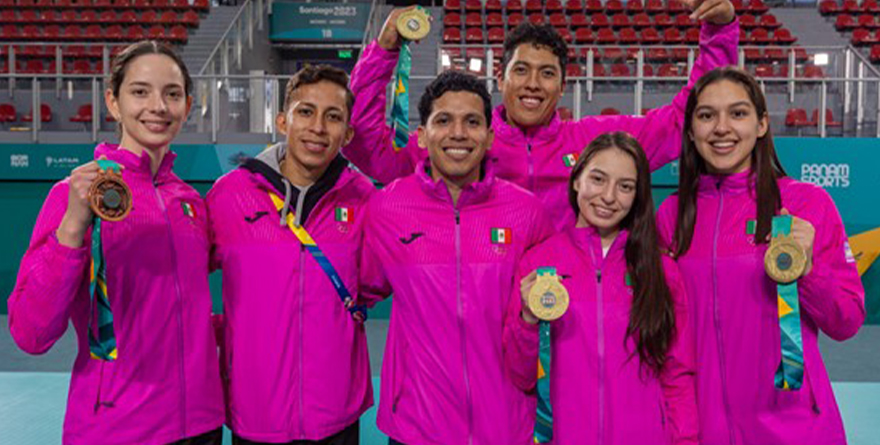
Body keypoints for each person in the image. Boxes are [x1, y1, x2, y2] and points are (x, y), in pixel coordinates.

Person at [344, 1, 738, 229]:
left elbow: (681, 120)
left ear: (563, 85)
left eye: (547, 73)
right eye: (521, 70)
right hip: (484, 313)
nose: (533, 83)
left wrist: (718, 34)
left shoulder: (594, 144)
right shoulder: (459, 144)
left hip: (569, 314)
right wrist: (383, 52)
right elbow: (367, 146)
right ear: (500, 77)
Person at [7, 41, 224, 444]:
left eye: (172, 93)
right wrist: (72, 227)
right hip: (117, 427)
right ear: (113, 102)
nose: (158, 106)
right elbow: (30, 334)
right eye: (140, 91)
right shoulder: (73, 196)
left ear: (188, 105)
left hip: (201, 423)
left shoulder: (190, 201)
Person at [655, 67, 865, 444]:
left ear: (762, 124)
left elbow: (846, 320)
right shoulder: (671, 216)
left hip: (793, 427)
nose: (722, 128)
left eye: (738, 113)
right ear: (690, 130)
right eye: (706, 115)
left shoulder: (806, 203)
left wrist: (810, 271)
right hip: (703, 430)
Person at [358, 70, 554, 444]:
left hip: (505, 426)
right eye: (443, 120)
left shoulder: (527, 212)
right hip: (415, 425)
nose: (459, 134)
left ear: (490, 135)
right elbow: (364, 285)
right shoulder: (387, 207)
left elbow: (542, 320)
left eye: (472, 122)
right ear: (421, 135)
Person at [207, 65, 374, 445]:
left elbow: (376, 282)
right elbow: (181, 277)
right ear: (283, 120)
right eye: (305, 111)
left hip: (336, 415)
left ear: (347, 133)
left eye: (333, 117)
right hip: (256, 412)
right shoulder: (229, 194)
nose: (318, 127)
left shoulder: (364, 199)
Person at [505, 132, 697, 444]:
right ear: (577, 179)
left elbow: (678, 374)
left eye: (625, 187)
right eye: (598, 179)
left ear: (637, 197)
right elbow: (522, 375)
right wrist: (527, 320)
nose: (608, 196)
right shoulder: (538, 263)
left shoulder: (661, 270)